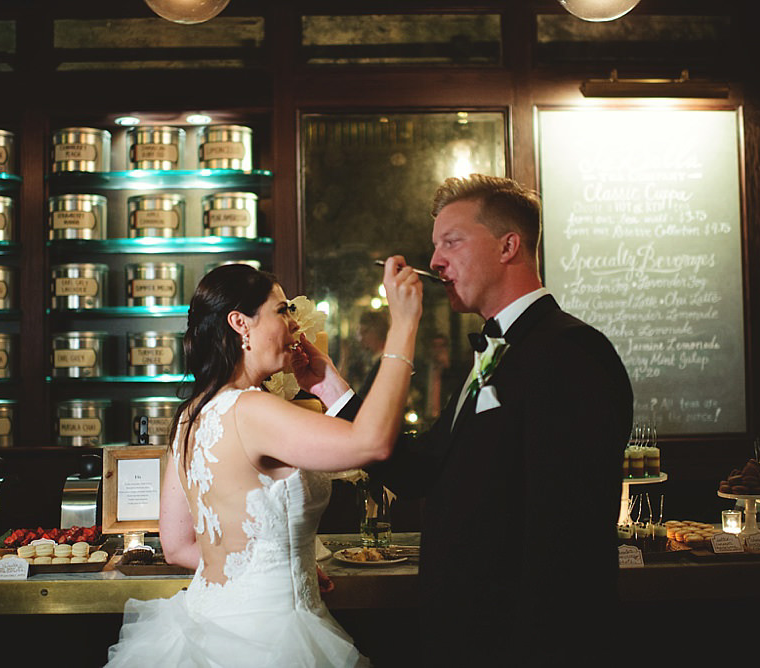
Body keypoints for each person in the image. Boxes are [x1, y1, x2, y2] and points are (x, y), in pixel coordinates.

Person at [307, 174, 634, 665]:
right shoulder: (494, 352)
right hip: (464, 636)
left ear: (508, 246)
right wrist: (328, 384)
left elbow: (565, 537)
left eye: (451, 242)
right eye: (434, 246)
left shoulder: (571, 352)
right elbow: (421, 470)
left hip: (522, 645)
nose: (435, 262)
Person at [106, 259, 422, 667]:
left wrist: (274, 563)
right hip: (273, 640)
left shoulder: (191, 415)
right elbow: (372, 443)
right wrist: (403, 328)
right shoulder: (253, 410)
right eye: (281, 310)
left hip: (205, 626)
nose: (294, 325)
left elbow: (178, 545)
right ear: (240, 323)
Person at [355, 310, 389, 398]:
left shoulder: (388, 361)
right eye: (360, 333)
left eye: (365, 332)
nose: (361, 339)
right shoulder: (361, 360)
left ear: (378, 331)